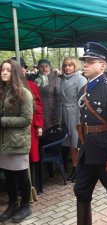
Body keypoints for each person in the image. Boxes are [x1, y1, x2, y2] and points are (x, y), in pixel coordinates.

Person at [74, 42, 107, 225]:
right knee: (81, 191)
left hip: (106, 153)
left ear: (103, 65)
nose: (85, 64)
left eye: (90, 61)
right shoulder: (84, 90)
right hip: (87, 151)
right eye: (84, 61)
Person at [0, 59, 33, 223]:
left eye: (8, 70)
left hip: (18, 141)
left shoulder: (24, 93)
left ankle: (25, 205)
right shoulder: (1, 92)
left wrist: (3, 121)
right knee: (8, 175)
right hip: (3, 142)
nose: (4, 72)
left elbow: (27, 119)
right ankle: (13, 204)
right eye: (2, 70)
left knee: (21, 176)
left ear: (15, 73)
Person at [11, 57, 44, 192]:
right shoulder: (5, 87)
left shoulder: (32, 86)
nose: (22, 70)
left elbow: (38, 107)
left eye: (23, 67)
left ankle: (33, 187)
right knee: (14, 159)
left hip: (29, 127)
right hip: (11, 128)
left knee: (30, 157)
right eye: (19, 68)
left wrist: (39, 125)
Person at [61, 57, 87, 183]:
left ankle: (80, 170)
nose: (67, 68)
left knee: (77, 143)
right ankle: (75, 167)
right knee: (71, 144)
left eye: (70, 65)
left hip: (75, 113)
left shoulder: (80, 79)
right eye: (65, 65)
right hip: (65, 113)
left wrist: (79, 120)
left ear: (75, 66)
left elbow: (82, 102)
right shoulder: (62, 79)